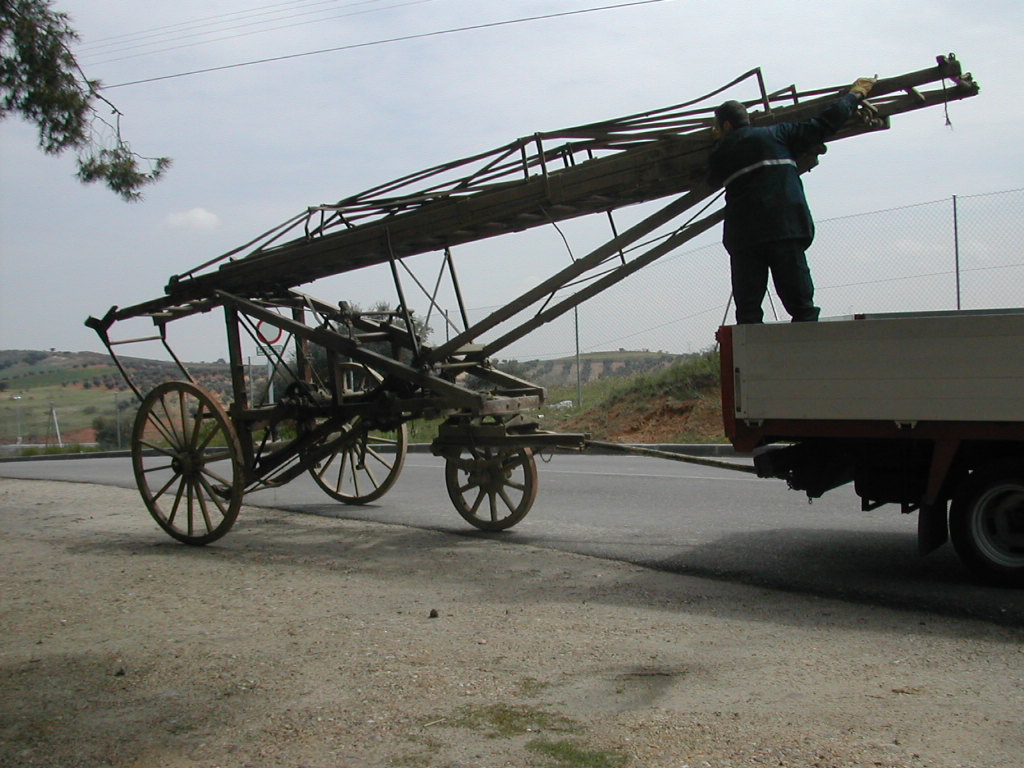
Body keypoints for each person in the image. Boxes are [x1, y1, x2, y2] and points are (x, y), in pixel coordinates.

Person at [708, 77, 876, 324]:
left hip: (746, 240)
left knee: (748, 311)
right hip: (785, 229)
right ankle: (808, 354)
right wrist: (854, 94)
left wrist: (718, 143)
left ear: (726, 125)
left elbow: (712, 179)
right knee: (802, 307)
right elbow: (824, 123)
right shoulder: (779, 135)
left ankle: (750, 359)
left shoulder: (720, 154)